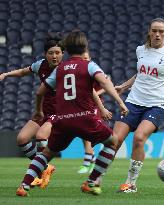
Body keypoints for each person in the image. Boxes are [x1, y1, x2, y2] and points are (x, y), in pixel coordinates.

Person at [16, 30, 128, 197]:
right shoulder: (88, 65)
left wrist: (38, 111)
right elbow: (104, 82)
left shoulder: (60, 69)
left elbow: (40, 92)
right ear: (85, 47)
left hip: (63, 121)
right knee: (113, 141)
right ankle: (91, 182)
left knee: (46, 154)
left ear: (66, 49)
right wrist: (120, 103)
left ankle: (24, 185)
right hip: (85, 119)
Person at [113, 18, 164, 193]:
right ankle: (95, 180)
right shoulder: (140, 50)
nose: (157, 34)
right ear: (149, 31)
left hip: (156, 104)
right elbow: (141, 74)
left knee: (139, 138)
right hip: (133, 101)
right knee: (114, 141)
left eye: (161, 31)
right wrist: (124, 86)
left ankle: (130, 184)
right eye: (154, 30)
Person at [0, 33, 64, 187]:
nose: (54, 56)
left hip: (60, 112)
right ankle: (45, 167)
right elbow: (23, 72)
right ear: (45, 54)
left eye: (58, 53)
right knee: (22, 139)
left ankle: (41, 173)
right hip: (43, 111)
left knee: (41, 136)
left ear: (63, 53)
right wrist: (6, 74)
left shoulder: (66, 70)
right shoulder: (40, 65)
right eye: (51, 53)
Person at [77, 51, 112, 174]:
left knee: (87, 132)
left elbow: (108, 82)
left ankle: (87, 163)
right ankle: (95, 161)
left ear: (90, 58)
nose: (84, 60)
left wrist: (96, 93)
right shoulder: (79, 70)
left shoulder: (93, 69)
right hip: (82, 105)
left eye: (86, 58)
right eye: (82, 58)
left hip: (94, 105)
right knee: (83, 135)